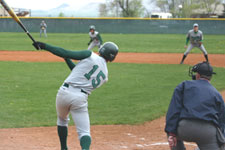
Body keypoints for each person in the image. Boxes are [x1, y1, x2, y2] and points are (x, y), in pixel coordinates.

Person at [32, 41, 119, 150]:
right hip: (80, 98)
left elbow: (66, 53)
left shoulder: (90, 55)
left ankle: (64, 148)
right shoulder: (105, 76)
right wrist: (66, 58)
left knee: (62, 120)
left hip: (64, 93)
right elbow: (79, 72)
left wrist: (44, 46)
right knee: (84, 132)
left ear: (102, 50)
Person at [165, 61, 225, 150]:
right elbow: (221, 121)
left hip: (184, 129)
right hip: (207, 133)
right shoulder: (217, 94)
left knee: (171, 130)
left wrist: (171, 134)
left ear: (198, 75)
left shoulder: (184, 85)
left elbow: (174, 111)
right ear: (210, 77)